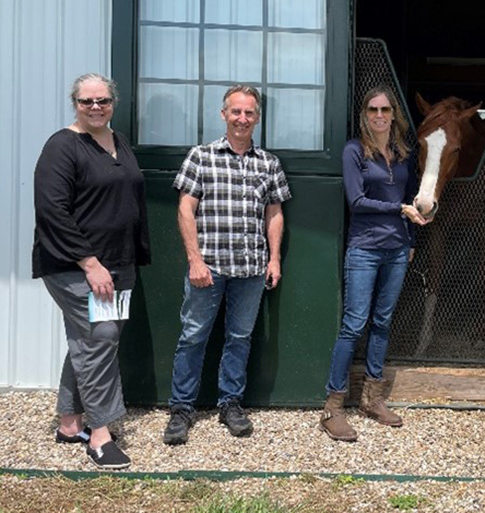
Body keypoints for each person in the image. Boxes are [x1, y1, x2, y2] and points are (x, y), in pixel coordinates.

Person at [33, 73, 151, 469]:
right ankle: (99, 436)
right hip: (75, 266)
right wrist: (90, 262)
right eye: (87, 102)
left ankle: (70, 423)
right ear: (75, 104)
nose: (96, 107)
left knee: (92, 342)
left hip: (118, 264)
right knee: (99, 338)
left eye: (103, 100)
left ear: (113, 103)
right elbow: (53, 210)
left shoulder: (118, 142)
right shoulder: (62, 146)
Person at [163, 85, 291, 445]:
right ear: (223, 115)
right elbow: (185, 208)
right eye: (236, 112)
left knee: (239, 338)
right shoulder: (201, 157)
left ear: (257, 118)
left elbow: (275, 213)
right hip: (209, 268)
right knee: (193, 337)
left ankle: (230, 403)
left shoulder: (268, 163)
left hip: (251, 270)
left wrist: (274, 258)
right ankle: (181, 409)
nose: (242, 118)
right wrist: (195, 259)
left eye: (249, 113)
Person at [319, 86, 429, 442]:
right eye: (372, 110)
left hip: (397, 250)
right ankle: (333, 406)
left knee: (383, 322)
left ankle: (372, 398)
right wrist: (398, 210)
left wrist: (410, 241)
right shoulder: (355, 151)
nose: (379, 116)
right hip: (365, 249)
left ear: (394, 114)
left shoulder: (402, 153)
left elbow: (412, 198)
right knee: (354, 324)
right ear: (364, 115)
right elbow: (357, 200)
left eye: (385, 109)